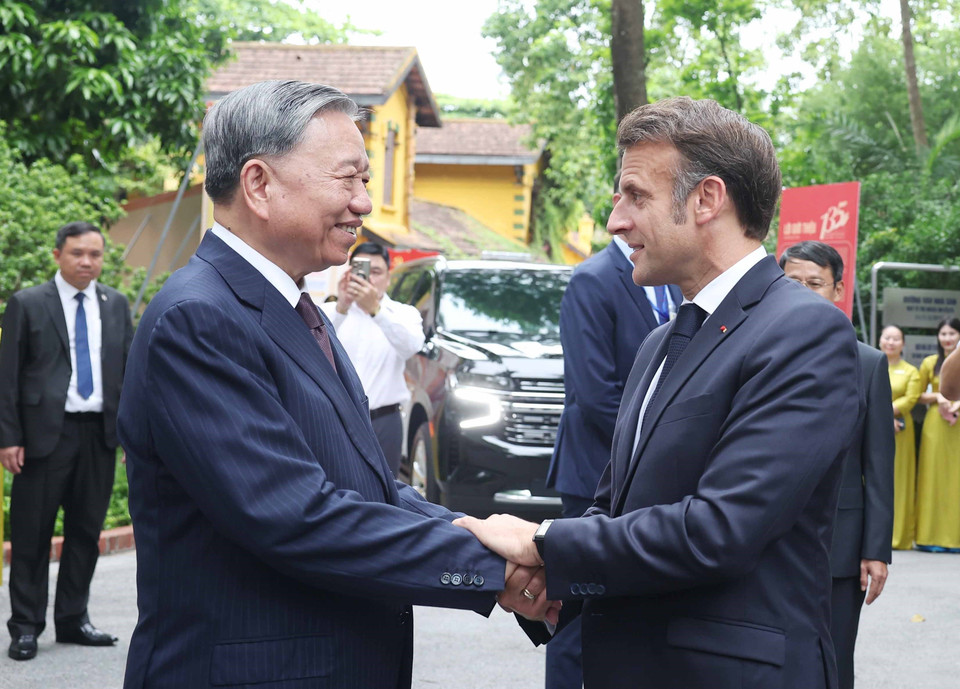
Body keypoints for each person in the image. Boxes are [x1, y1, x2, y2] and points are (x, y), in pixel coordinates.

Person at [116, 80, 554, 689]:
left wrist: (469, 530)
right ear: (260, 185)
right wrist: (491, 566)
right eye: (348, 179)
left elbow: (362, 486)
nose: (365, 203)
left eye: (367, 182)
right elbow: (294, 514)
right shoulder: (201, 318)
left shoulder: (298, 308)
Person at [454, 96, 862, 689]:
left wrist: (542, 541)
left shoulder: (804, 331)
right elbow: (613, 507)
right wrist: (551, 587)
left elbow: (719, 530)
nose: (616, 221)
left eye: (635, 195)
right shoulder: (660, 341)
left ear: (706, 199)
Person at [544, 172, 681, 689]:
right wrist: (659, 444)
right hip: (593, 472)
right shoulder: (591, 279)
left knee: (623, 612)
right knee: (575, 615)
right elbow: (594, 391)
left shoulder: (667, 275)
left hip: (642, 474)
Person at [0, 222, 133, 661]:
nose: (87, 262)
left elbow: (129, 372)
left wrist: (130, 436)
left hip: (98, 434)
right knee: (31, 535)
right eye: (77, 253)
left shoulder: (115, 305)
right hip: (43, 437)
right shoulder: (28, 303)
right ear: (57, 255)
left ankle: (73, 620)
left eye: (95, 254)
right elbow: (7, 377)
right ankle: (25, 627)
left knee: (84, 533)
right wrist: (9, 437)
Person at [779, 240, 894, 689]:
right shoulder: (758, 352)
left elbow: (879, 465)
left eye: (815, 283)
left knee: (833, 658)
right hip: (765, 538)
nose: (804, 292)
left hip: (840, 548)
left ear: (837, 289)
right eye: (793, 283)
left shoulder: (868, 364)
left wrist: (876, 550)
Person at [322, 241, 424, 477]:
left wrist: (375, 310)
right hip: (338, 418)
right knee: (337, 483)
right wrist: (342, 306)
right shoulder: (330, 312)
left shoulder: (404, 314)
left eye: (375, 272)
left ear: (388, 278)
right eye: (359, 270)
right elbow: (315, 346)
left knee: (386, 492)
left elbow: (411, 347)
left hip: (384, 420)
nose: (368, 278)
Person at [914, 316, 960, 552]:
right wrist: (939, 397)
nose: (947, 338)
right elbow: (918, 395)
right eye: (943, 333)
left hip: (957, 426)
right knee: (932, 478)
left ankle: (955, 538)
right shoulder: (930, 362)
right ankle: (929, 537)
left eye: (952, 333)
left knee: (956, 480)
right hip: (935, 424)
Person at [878, 324, 921, 550]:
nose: (891, 342)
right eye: (888, 338)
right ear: (880, 340)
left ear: (903, 344)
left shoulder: (911, 371)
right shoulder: (870, 364)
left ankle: (899, 536)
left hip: (900, 431)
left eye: (896, 339)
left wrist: (882, 412)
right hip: (874, 427)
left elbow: (911, 398)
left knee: (900, 480)